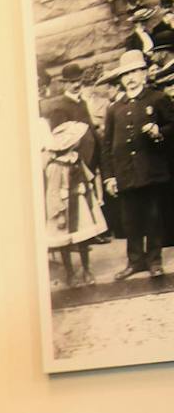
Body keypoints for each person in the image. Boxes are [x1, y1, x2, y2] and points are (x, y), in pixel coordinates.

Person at [102, 49, 171, 281]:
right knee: (129, 220)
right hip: (125, 173)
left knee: (152, 216)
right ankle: (135, 261)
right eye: (125, 74)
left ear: (144, 73)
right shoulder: (114, 108)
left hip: (150, 170)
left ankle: (154, 261)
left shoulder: (157, 99)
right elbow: (107, 145)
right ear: (120, 78)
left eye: (134, 72)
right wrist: (109, 176)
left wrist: (159, 132)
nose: (130, 78)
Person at [39, 63, 105, 287]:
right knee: (66, 228)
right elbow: (60, 139)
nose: (77, 85)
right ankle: (70, 272)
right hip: (65, 169)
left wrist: (92, 160)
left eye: (79, 81)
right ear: (65, 84)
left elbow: (89, 133)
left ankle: (86, 269)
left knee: (84, 226)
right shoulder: (60, 107)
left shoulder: (82, 103)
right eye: (72, 82)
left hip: (83, 165)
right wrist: (69, 153)